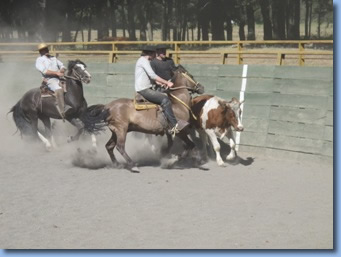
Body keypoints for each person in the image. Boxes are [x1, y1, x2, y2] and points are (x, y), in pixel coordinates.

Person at [134, 45, 188, 134]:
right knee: (165, 100)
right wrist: (167, 83)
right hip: (144, 90)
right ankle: (174, 125)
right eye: (155, 53)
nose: (156, 55)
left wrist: (160, 83)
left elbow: (148, 77)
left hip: (144, 88)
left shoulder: (143, 61)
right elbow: (153, 75)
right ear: (151, 53)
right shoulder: (144, 61)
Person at [35, 43, 68, 119]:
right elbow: (44, 71)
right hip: (50, 79)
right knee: (59, 89)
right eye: (44, 49)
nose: (46, 50)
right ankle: (63, 110)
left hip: (59, 77)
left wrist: (62, 70)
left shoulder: (53, 58)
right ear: (40, 51)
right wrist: (57, 73)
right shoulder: (39, 60)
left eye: (47, 49)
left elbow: (62, 65)